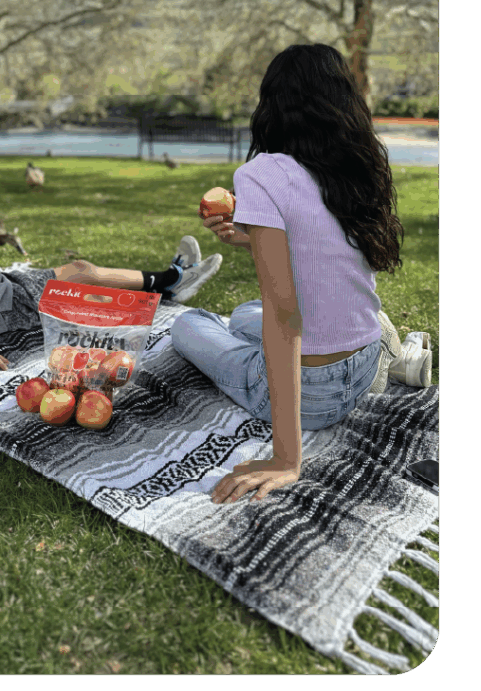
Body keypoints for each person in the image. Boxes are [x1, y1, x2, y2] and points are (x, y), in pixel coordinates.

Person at [170, 45, 405, 506]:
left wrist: (286, 458)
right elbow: (327, 253)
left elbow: (284, 318)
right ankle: (392, 349)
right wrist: (250, 238)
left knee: (189, 324)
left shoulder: (261, 174)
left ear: (273, 103)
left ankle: (274, 396)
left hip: (316, 396)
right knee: (245, 314)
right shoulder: (355, 167)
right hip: (365, 362)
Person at [0, 117, 222, 374]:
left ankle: (166, 284)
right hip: (3, 309)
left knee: (72, 278)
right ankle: (171, 280)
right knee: (80, 271)